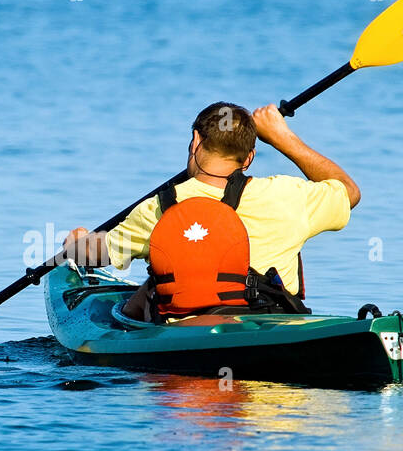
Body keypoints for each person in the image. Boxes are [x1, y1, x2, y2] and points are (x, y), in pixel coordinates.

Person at [62, 101, 360, 319]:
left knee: (149, 291)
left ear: (196, 141)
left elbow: (99, 254)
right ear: (249, 158)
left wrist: (76, 244)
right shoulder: (288, 195)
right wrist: (284, 137)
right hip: (272, 338)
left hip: (190, 343)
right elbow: (349, 191)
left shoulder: (161, 207)